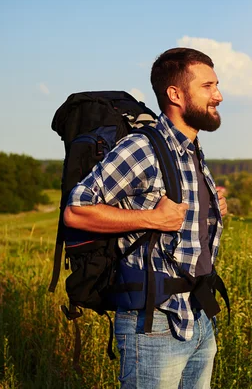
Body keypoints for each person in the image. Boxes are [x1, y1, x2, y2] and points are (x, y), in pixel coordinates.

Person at [63, 47, 227, 388]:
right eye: (208, 86)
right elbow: (76, 209)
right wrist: (152, 219)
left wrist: (211, 208)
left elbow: (178, 226)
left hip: (197, 318)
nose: (219, 95)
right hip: (153, 327)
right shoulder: (143, 148)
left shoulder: (190, 149)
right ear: (175, 94)